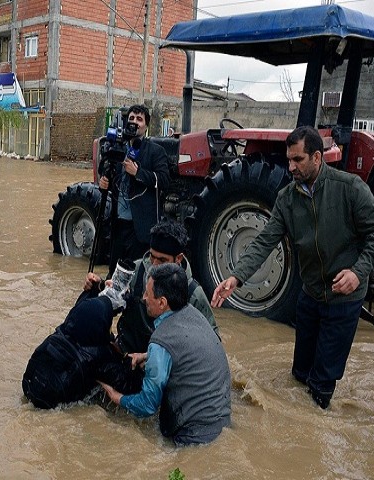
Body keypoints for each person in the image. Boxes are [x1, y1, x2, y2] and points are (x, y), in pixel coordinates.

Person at [211, 125, 374, 409]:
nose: (291, 166)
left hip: (343, 299)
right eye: (289, 160)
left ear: (317, 157)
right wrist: (236, 276)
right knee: (299, 375)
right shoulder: (286, 199)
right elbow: (264, 241)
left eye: (298, 160)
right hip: (309, 296)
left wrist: (358, 272)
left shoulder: (349, 188)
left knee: (321, 388)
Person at [100, 263, 232, 446]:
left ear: (162, 302)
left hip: (192, 439)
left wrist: (117, 397)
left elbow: (147, 405)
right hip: (222, 424)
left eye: (148, 294)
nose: (144, 298)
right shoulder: (194, 314)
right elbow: (184, 350)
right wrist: (147, 356)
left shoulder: (161, 341)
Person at [84, 219, 218, 357]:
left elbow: (212, 344)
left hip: (164, 364)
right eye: (152, 257)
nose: (154, 265)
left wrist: (150, 357)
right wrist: (98, 287)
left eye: (162, 260)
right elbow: (111, 302)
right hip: (126, 354)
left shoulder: (193, 293)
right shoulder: (134, 271)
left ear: (178, 259)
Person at [23, 290, 124, 409]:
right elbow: (126, 383)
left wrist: (91, 290)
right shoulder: (100, 356)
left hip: (29, 389)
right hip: (56, 407)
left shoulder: (65, 328)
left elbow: (82, 308)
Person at [100, 104, 170, 275]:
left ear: (146, 126)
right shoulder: (118, 148)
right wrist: (104, 184)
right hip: (118, 226)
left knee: (137, 275)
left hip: (140, 228)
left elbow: (164, 180)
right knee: (113, 275)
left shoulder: (155, 151)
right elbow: (108, 175)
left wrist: (138, 172)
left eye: (139, 119)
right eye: (131, 118)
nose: (134, 122)